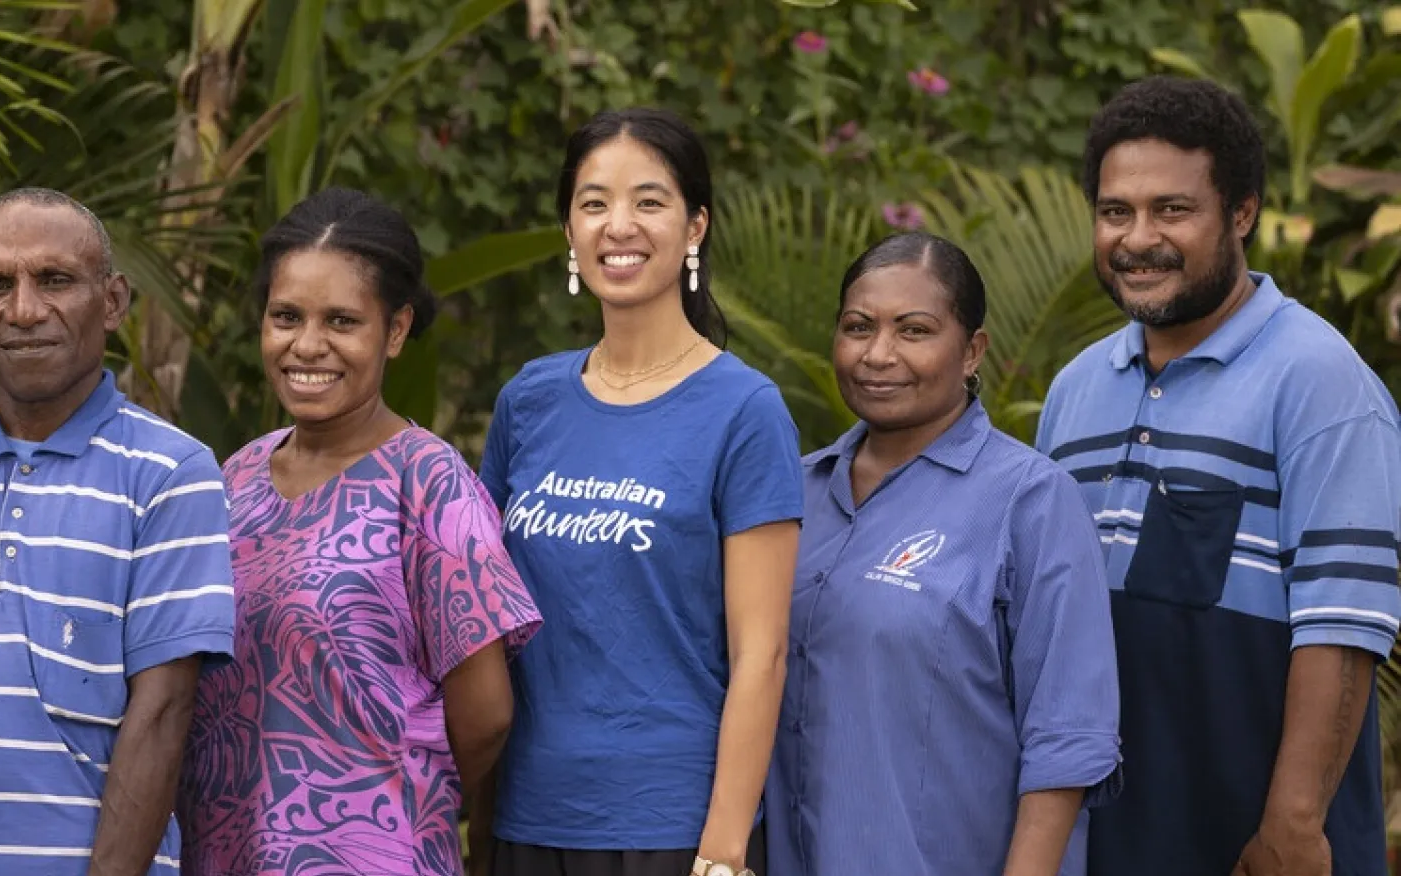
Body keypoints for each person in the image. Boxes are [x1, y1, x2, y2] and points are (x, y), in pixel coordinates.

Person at [1037, 76, 1401, 876]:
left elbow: (1344, 625)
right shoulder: (1074, 393)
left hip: (1254, 843)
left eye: (1173, 209)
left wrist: (1292, 827)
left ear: (1240, 213)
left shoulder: (1319, 382)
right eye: (1114, 212)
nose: (1137, 238)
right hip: (1103, 840)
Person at [0, 188, 236, 875]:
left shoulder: (172, 474)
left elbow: (164, 709)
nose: (24, 310)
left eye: (55, 279)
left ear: (112, 301)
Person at [176, 186, 542, 876]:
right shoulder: (235, 479)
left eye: (342, 321)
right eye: (286, 316)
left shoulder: (428, 483)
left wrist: (408, 797)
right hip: (221, 853)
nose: (307, 345)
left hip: (373, 852)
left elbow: (487, 714)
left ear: (395, 330)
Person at [474, 107, 803, 876]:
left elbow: (764, 654)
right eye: (594, 203)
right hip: (527, 817)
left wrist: (722, 853)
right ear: (568, 230)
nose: (618, 225)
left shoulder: (745, 411)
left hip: (671, 830)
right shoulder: (529, 401)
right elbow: (480, 621)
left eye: (648, 201)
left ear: (695, 227)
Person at [765, 232, 1121, 876]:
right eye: (857, 326)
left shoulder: (1031, 502)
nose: (878, 354)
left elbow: (1067, 741)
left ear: (971, 350)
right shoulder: (790, 496)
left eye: (914, 330)